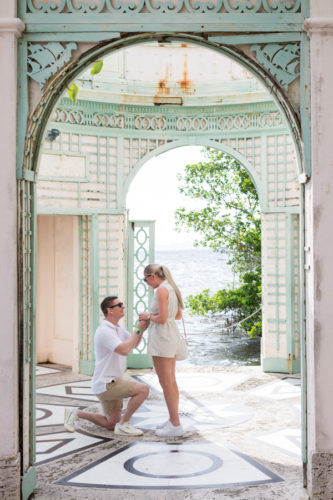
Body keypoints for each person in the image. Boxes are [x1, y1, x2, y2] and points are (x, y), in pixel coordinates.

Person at [64, 296, 149, 436]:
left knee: (111, 424)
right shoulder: (105, 331)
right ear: (110, 310)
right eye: (119, 305)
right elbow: (124, 350)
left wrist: (142, 330)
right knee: (143, 390)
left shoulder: (118, 327)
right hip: (107, 384)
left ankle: (75, 413)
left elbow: (132, 344)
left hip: (110, 382)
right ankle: (124, 424)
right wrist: (138, 331)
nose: (123, 307)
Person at [139, 264, 184, 437]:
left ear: (152, 276)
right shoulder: (171, 288)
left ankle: (175, 424)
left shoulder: (160, 291)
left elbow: (162, 319)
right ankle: (173, 420)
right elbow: (177, 316)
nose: (146, 283)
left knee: (166, 382)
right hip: (171, 336)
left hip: (162, 338)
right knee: (171, 381)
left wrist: (147, 316)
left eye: (145, 279)